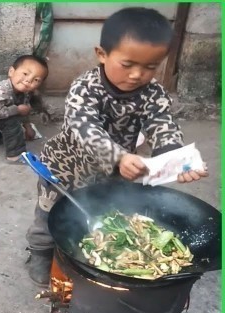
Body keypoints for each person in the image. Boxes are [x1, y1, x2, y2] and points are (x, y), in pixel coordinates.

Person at [24, 7, 209, 286]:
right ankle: (39, 254)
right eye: (128, 64)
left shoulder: (154, 93)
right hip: (64, 169)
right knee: (48, 215)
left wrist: (177, 161)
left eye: (150, 67)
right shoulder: (85, 87)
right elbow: (85, 129)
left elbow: (163, 125)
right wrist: (120, 156)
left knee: (104, 215)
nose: (138, 75)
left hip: (111, 173)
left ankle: (97, 254)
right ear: (102, 54)